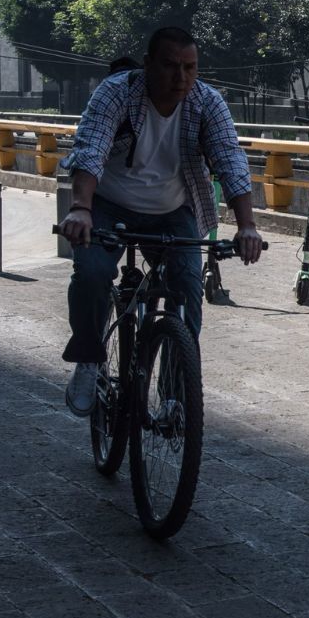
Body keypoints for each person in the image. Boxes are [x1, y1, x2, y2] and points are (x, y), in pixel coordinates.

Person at [57, 26, 263, 416]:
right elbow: (90, 147)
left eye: (190, 67)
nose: (180, 77)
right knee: (92, 273)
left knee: (186, 285)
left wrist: (246, 225)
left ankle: (173, 393)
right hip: (108, 204)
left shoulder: (206, 103)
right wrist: (80, 207)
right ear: (148, 65)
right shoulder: (117, 92)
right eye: (170, 66)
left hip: (173, 210)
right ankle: (89, 360)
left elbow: (230, 161)